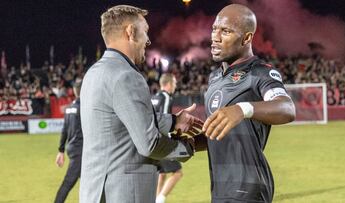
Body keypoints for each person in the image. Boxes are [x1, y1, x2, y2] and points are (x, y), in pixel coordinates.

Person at [79, 5, 202, 203]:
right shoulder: (127, 76)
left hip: (96, 190)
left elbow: (123, 119)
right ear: (129, 32)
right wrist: (187, 147)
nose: (148, 39)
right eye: (145, 31)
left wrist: (173, 121)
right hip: (124, 193)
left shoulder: (93, 73)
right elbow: (150, 144)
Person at [201, 4, 296, 203]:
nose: (215, 37)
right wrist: (187, 141)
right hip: (220, 187)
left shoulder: (259, 72)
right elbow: (221, 133)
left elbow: (287, 108)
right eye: (214, 29)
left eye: (225, 31)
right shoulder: (215, 78)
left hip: (249, 188)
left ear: (246, 38)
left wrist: (243, 109)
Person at [151, 73, 182, 203]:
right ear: (168, 84)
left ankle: (156, 200)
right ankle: (160, 199)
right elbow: (163, 120)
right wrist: (169, 140)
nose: (175, 86)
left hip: (151, 141)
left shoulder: (154, 97)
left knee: (162, 174)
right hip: (161, 141)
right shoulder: (166, 97)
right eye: (174, 83)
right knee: (178, 172)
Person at [54, 81, 83, 203]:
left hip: (73, 148)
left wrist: (61, 151)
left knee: (89, 182)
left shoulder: (69, 108)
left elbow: (64, 130)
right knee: (68, 182)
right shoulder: (84, 108)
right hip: (80, 151)